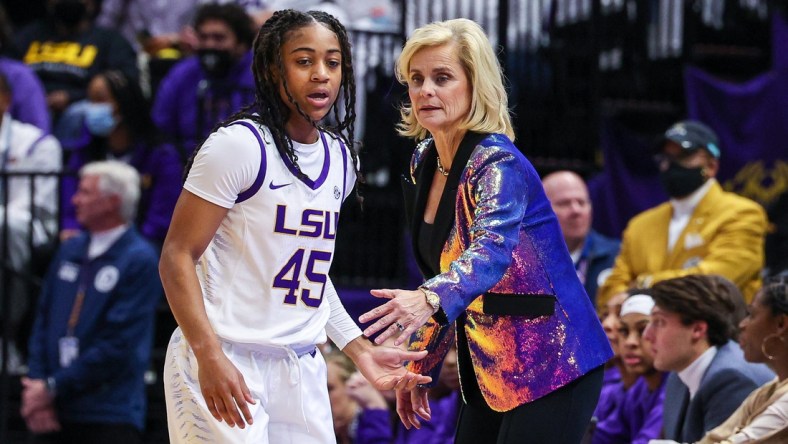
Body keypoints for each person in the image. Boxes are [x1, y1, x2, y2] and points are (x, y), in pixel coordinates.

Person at [159, 9, 431, 443]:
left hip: (301, 365)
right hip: (225, 351)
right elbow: (176, 255)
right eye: (304, 61)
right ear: (272, 68)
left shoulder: (342, 159)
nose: (321, 75)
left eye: (333, 62)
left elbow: (311, 276)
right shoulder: (238, 146)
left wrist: (359, 350)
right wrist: (207, 354)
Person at [358, 18, 612, 444]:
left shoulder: (497, 163)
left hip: (556, 358)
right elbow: (444, 270)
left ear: (476, 86)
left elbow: (490, 252)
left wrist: (428, 297)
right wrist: (418, 368)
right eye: (416, 79)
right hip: (491, 366)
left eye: (442, 78)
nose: (425, 91)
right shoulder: (423, 158)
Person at [20, 160, 162, 444]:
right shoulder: (71, 249)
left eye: (84, 192)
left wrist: (52, 386)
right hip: (52, 410)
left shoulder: (139, 259)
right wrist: (37, 386)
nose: (74, 200)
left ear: (111, 202)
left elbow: (119, 343)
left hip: (108, 412)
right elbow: (43, 320)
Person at [597, 120, 768, 307]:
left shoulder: (742, 214)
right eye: (665, 158)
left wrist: (643, 285)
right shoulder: (640, 225)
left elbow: (715, 280)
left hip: (717, 331)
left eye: (683, 156)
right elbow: (610, 289)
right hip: (645, 332)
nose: (670, 165)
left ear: (711, 166)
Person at [654, 276, 788, 443]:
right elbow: (714, 438)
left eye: (751, 314)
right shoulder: (767, 391)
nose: (742, 324)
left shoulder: (732, 376)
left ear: (781, 324)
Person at [58, 70, 182, 246]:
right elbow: (71, 203)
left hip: (143, 246)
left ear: (124, 104)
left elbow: (162, 217)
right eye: (90, 100)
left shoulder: (160, 155)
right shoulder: (85, 150)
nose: (92, 109)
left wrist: (126, 247)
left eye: (100, 100)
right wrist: (71, 229)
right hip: (90, 240)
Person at [0, 72, 61, 372]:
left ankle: (8, 334)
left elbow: (36, 204)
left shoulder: (38, 143)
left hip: (31, 227)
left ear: (6, 100)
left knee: (8, 225)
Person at [151, 2, 256, 162]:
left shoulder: (261, 75)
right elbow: (161, 129)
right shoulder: (182, 74)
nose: (209, 45)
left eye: (219, 38)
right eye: (203, 37)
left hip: (248, 165)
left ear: (241, 44)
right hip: (189, 166)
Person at [9, 0, 138, 124]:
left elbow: (125, 81)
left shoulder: (109, 40)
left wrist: (72, 96)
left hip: (81, 109)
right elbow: (6, 74)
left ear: (91, 3)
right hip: (28, 108)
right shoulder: (27, 36)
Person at [594, 293, 667, 444]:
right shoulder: (639, 389)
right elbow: (601, 436)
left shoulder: (674, 388)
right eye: (624, 331)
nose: (630, 342)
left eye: (642, 330)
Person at [542, 170, 621, 304]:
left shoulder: (617, 256)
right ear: (541, 210)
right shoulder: (525, 260)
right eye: (564, 203)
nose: (576, 210)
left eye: (581, 202)